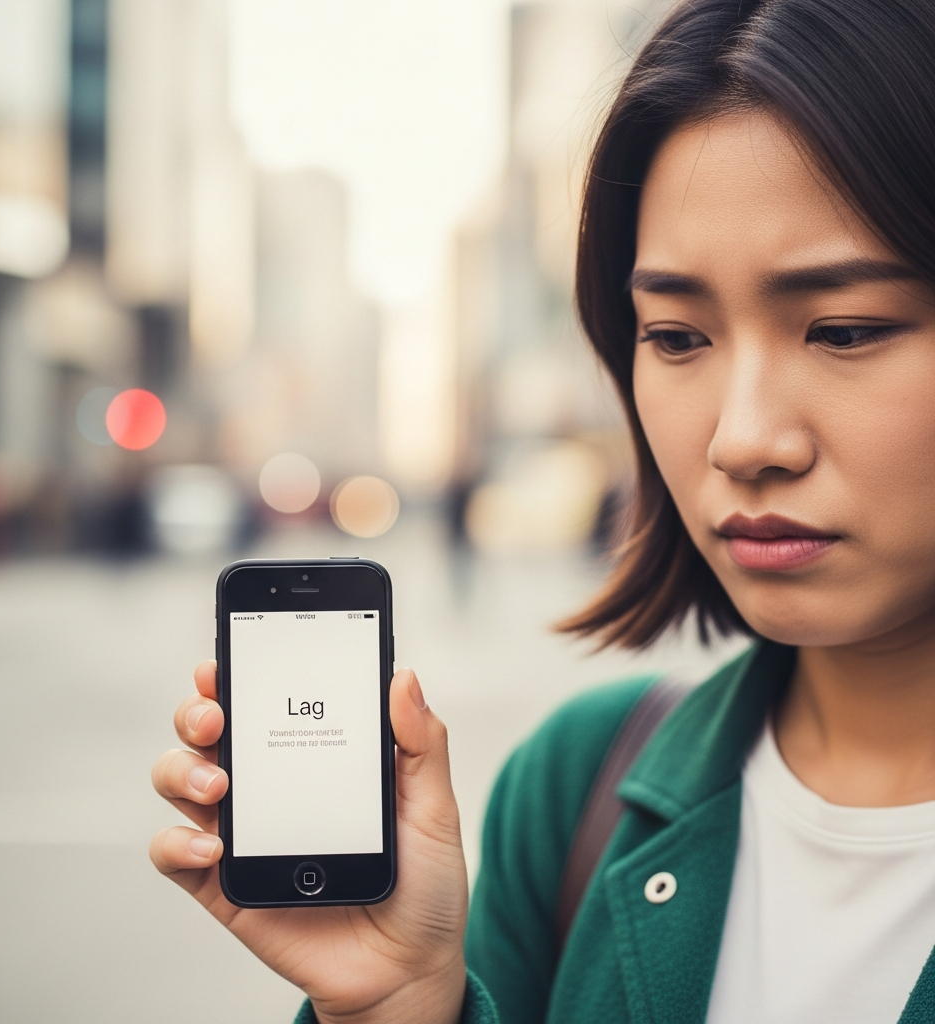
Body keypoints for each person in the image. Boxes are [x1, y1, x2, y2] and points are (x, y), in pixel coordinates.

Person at [149, 0, 935, 1020]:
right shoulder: (577, 788)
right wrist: (395, 1003)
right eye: (677, 336)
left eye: (841, 328)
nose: (741, 439)